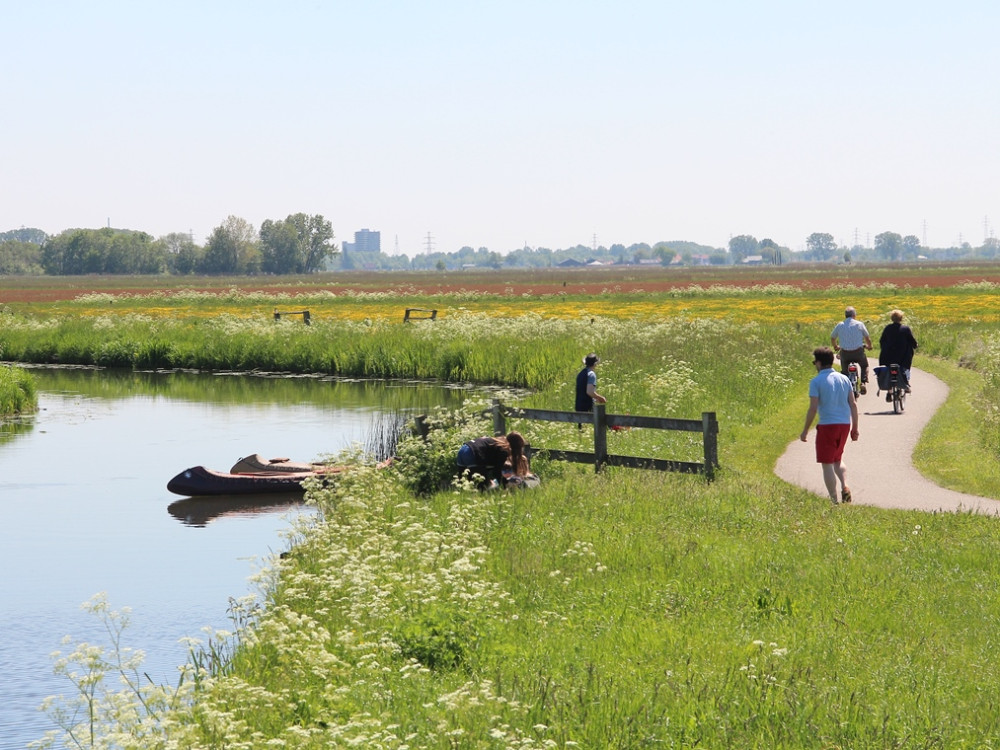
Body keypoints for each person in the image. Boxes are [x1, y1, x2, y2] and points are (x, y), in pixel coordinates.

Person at [800, 346, 860, 505]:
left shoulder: (816, 381)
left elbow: (813, 408)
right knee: (838, 459)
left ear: (819, 363)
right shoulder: (844, 379)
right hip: (844, 425)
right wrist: (855, 428)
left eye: (815, 363)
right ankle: (845, 486)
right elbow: (853, 404)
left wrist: (805, 430)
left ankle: (834, 501)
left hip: (827, 425)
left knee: (826, 463)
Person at [456, 431, 529, 488]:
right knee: (482, 486)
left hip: (463, 449)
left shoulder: (497, 441)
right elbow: (498, 471)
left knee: (463, 482)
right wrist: (505, 484)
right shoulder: (504, 448)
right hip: (472, 452)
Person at [831, 306, 873, 394]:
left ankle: (846, 385)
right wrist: (869, 346)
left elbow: (833, 337)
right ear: (854, 315)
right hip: (858, 352)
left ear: (845, 315)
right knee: (864, 366)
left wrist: (835, 346)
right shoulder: (859, 324)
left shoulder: (840, 325)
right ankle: (863, 382)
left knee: (844, 370)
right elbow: (867, 338)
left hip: (845, 353)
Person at [878, 309, 918, 393]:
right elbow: (912, 341)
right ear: (901, 319)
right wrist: (915, 346)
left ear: (892, 318)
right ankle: (906, 383)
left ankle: (889, 392)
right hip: (902, 358)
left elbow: (882, 341)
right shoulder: (905, 329)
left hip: (888, 357)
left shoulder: (887, 328)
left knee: (888, 370)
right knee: (905, 367)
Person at [575, 352, 606, 418]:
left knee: (583, 426)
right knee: (599, 423)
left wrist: (595, 399)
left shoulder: (580, 374)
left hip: (578, 405)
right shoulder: (591, 374)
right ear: (595, 364)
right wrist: (600, 398)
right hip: (587, 407)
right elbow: (589, 392)